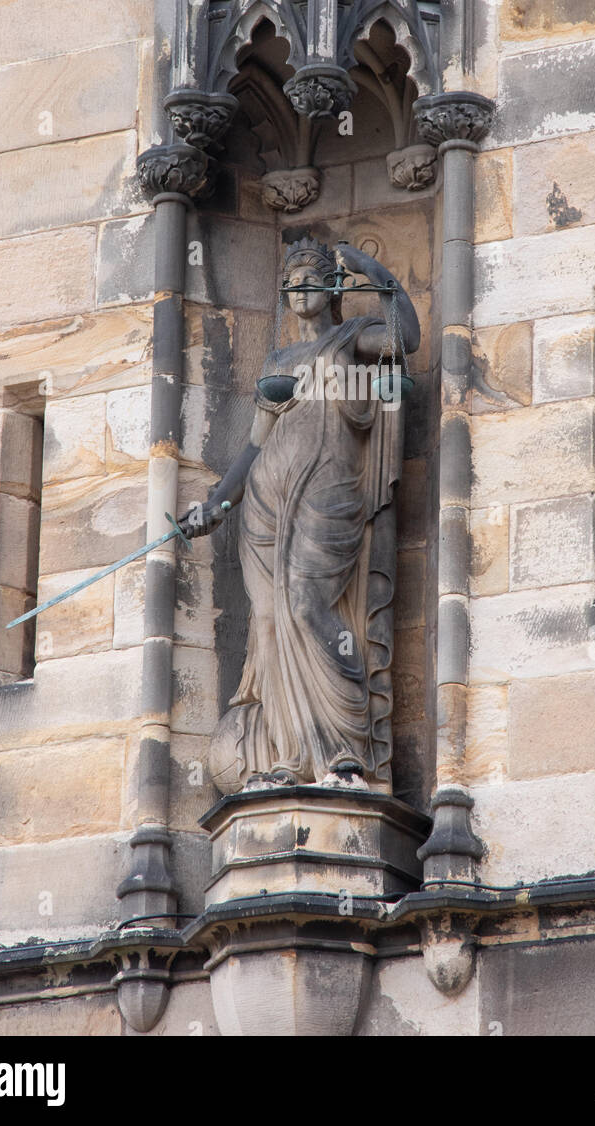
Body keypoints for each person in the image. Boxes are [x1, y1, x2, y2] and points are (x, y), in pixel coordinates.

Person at [182, 236, 420, 791]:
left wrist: (373, 270)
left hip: (328, 489)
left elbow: (405, 340)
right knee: (270, 625)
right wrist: (217, 504)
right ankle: (291, 755)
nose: (297, 291)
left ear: (332, 287)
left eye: (309, 280)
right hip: (265, 504)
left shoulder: (352, 338)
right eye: (290, 284)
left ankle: (346, 748)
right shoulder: (277, 361)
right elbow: (255, 445)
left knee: (309, 603)